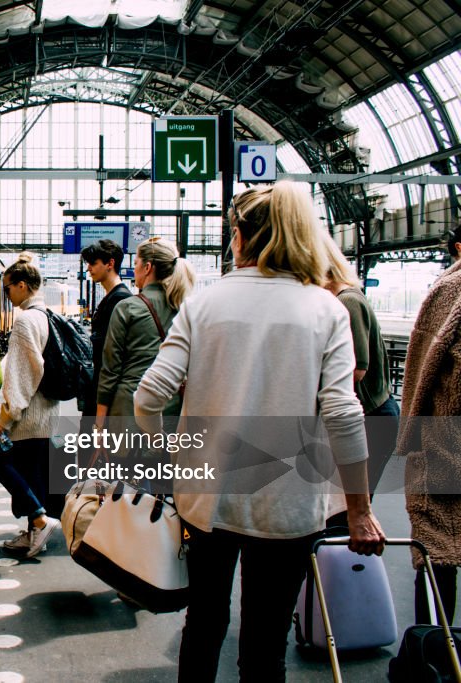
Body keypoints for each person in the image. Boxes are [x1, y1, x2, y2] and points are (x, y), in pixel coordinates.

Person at [134, 182, 385, 682]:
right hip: (289, 507)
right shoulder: (325, 309)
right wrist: (359, 511)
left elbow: (148, 397)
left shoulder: (204, 304)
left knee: (203, 623)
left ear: (239, 237)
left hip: (207, 501)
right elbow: (343, 413)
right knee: (265, 644)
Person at [398, 252, 461, 624]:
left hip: (444, 447)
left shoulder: (449, 290)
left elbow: (422, 372)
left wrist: (409, 438)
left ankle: (433, 657)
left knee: (438, 556)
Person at [0, 253, 61, 558]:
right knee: (32, 473)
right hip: (47, 411)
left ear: (21, 285)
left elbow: (22, 376)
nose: (6, 296)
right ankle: (34, 530)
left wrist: (4, 419)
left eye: (7, 289)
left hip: (27, 417)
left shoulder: (25, 322)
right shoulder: (47, 316)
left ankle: (40, 521)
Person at [319, 234, 399, 500]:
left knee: (353, 497)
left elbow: (355, 370)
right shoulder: (348, 298)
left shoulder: (347, 301)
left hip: (372, 417)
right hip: (375, 413)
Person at [97, 236, 195, 419]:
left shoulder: (127, 308)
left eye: (136, 263)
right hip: (170, 407)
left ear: (147, 268)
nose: (134, 269)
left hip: (128, 409)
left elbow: (109, 372)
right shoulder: (186, 308)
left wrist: (99, 425)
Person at [80, 239, 131, 417]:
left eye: (93, 263)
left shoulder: (119, 300)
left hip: (105, 392)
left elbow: (111, 354)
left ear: (110, 263)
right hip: (103, 387)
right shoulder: (115, 297)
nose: (88, 269)